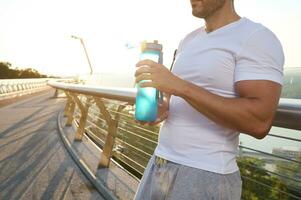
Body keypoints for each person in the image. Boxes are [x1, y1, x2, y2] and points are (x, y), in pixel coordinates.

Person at [134, 0, 284, 199]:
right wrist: (162, 108)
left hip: (205, 175)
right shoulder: (188, 39)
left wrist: (181, 87)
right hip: (159, 163)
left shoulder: (257, 38)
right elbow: (175, 95)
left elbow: (259, 122)